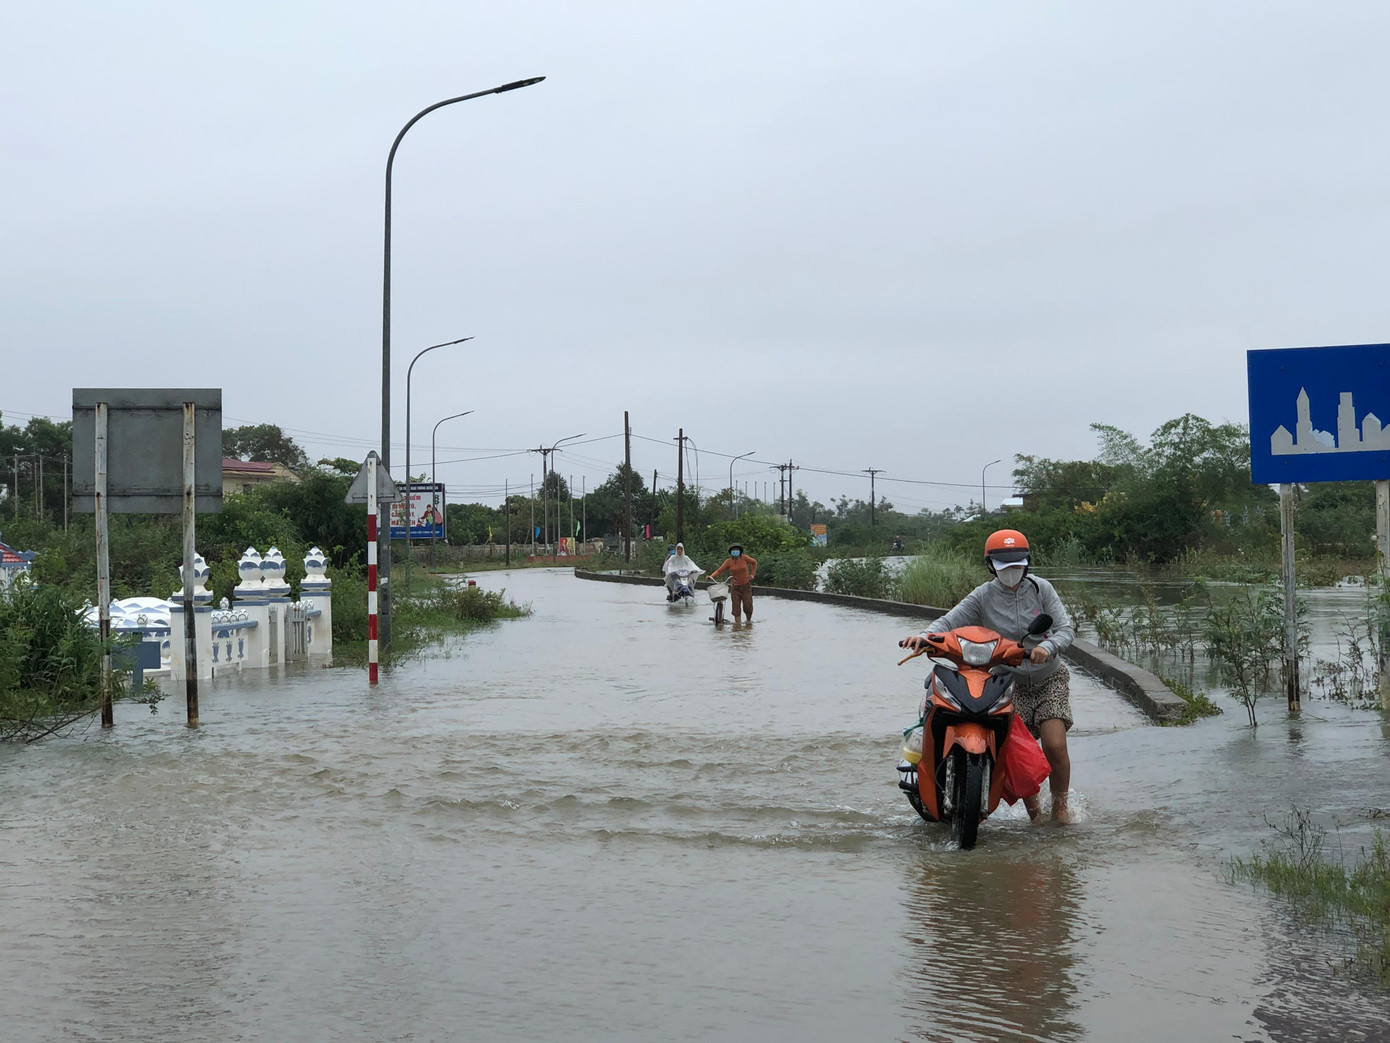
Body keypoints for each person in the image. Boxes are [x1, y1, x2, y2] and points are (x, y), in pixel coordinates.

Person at [898, 529, 1076, 823]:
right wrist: (923, 636)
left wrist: (1048, 646)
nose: (1011, 573)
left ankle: (1061, 806)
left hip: (1049, 677)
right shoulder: (983, 595)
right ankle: (1036, 816)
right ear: (990, 565)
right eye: (1003, 567)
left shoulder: (1041, 589)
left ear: (1027, 563)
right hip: (1006, 679)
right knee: (1017, 753)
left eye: (1017, 566)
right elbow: (949, 621)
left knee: (1054, 743)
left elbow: (1065, 629)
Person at [707, 544, 758, 623]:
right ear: (731, 552)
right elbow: (719, 571)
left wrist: (752, 574)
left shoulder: (744, 558)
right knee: (736, 608)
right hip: (735, 587)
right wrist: (711, 576)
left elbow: (754, 562)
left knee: (748, 607)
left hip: (746, 586)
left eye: (737, 550)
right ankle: (737, 627)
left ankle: (748, 622)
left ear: (740, 551)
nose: (735, 551)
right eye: (733, 550)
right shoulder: (728, 562)